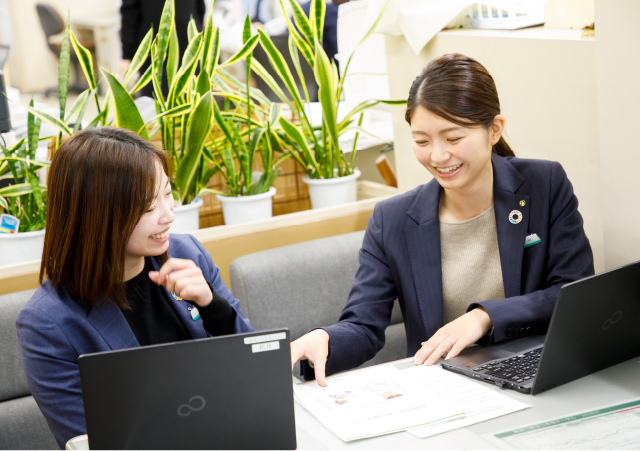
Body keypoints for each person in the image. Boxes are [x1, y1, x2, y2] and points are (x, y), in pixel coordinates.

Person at [290, 53, 595, 386]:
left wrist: (485, 317)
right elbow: (363, 326)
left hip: (538, 373)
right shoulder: (391, 220)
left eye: (453, 139)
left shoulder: (544, 184)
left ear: (494, 130)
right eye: (422, 141)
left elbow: (574, 292)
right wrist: (323, 339)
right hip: (444, 389)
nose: (437, 156)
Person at [15, 127, 254, 448]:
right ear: (97, 216)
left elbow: (257, 366)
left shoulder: (187, 253)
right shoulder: (48, 323)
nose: (169, 214)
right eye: (147, 206)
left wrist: (213, 307)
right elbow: (87, 441)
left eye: (167, 193)